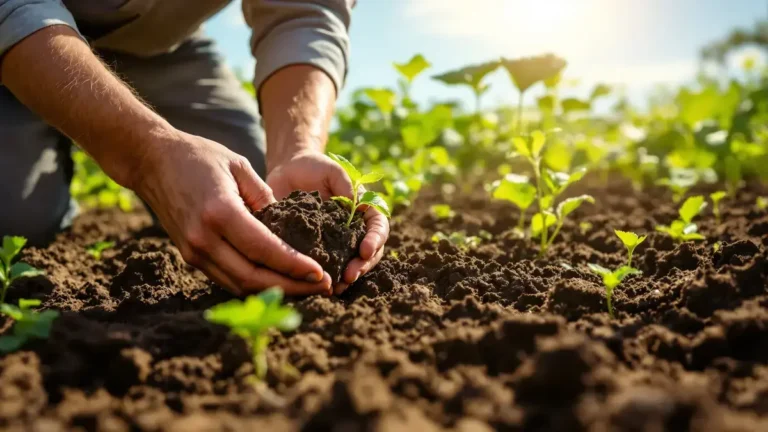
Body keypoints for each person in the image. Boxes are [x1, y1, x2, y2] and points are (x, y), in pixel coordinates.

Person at [0, 0, 388, 297]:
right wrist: (148, 156)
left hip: (160, 47)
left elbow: (305, 11)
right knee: (14, 218)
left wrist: (296, 150)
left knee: (250, 196)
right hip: (20, 31)